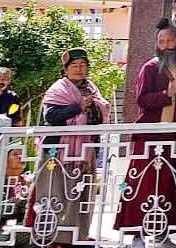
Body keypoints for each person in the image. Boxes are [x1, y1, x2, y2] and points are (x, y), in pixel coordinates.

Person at [114, 20, 176, 248]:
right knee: (142, 184)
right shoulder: (150, 67)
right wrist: (166, 93)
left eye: (170, 41)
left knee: (171, 185)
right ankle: (136, 235)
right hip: (151, 135)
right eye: (161, 42)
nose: (166, 45)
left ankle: (163, 235)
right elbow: (142, 99)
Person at [25, 48, 109, 245]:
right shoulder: (58, 89)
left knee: (80, 195)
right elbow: (51, 116)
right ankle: (50, 237)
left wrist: (93, 107)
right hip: (57, 154)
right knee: (54, 194)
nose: (79, 69)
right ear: (65, 69)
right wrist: (78, 107)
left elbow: (99, 118)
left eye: (83, 65)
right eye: (74, 65)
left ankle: (76, 237)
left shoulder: (92, 89)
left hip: (84, 155)